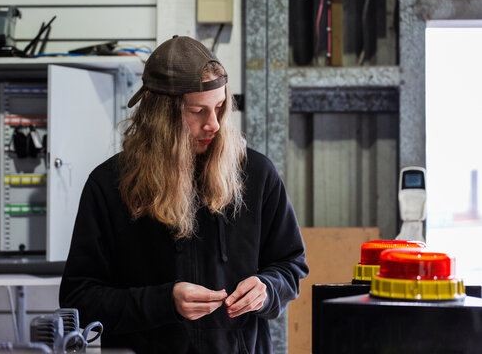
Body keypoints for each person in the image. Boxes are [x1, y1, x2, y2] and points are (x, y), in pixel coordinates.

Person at [59, 35, 309, 353]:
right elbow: (79, 299)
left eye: (219, 108)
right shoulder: (110, 185)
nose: (214, 124)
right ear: (160, 116)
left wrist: (267, 289)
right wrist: (164, 302)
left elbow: (291, 264)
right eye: (197, 111)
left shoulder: (256, 174)